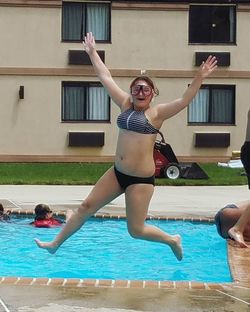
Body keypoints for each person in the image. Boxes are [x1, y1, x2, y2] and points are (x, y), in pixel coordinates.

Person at [35, 32, 217, 260]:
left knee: (136, 230)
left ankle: (172, 240)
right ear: (132, 91)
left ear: (152, 94)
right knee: (85, 207)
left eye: (145, 89)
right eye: (136, 88)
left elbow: (185, 99)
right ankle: (55, 244)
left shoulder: (157, 113)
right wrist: (92, 52)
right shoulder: (124, 104)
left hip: (140, 181)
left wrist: (200, 76)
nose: (140, 92)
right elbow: (105, 77)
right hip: (117, 172)